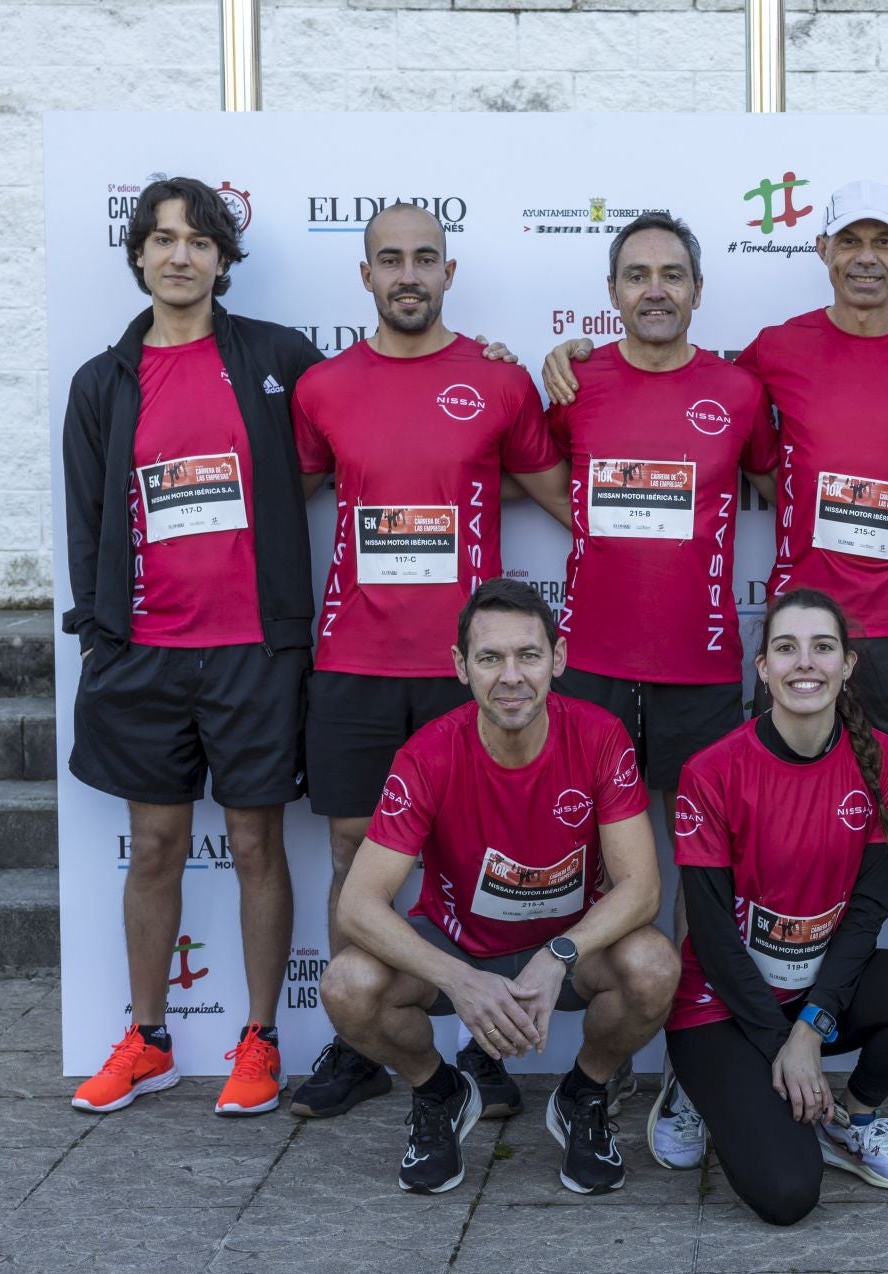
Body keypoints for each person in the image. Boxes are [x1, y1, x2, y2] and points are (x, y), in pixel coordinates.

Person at [544, 180, 888, 1116]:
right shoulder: (769, 358)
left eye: (884, 241)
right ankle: (698, 1039)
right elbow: (666, 399)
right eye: (849, 241)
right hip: (800, 636)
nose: (866, 256)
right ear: (823, 250)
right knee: (730, 846)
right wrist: (563, 352)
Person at [287, 203, 571, 1122]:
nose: (408, 273)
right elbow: (281, 495)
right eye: (389, 260)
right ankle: (357, 1036)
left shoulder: (498, 381)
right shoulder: (323, 386)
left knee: (467, 857)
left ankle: (475, 1041)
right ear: (364, 277)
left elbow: (567, 498)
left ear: (450, 272)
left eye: (425, 258)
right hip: (354, 661)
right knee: (348, 850)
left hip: (476, 668)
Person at [62, 176, 321, 1118]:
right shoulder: (102, 383)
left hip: (256, 649)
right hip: (145, 654)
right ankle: (150, 1039)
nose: (181, 255)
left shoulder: (277, 358)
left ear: (222, 259)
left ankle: (258, 1040)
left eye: (200, 241)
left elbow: (377, 393)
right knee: (156, 844)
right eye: (164, 239)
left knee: (255, 843)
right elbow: (87, 519)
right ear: (138, 255)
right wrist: (102, 642)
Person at [316, 579, 678, 1195]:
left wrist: (558, 955)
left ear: (557, 659)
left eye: (528, 656)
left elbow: (642, 890)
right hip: (460, 948)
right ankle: (439, 1094)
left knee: (654, 966)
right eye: (490, 658)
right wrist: (460, 981)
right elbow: (357, 904)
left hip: (568, 952)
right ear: (461, 667)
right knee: (346, 985)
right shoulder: (427, 754)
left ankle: (583, 1096)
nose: (511, 676)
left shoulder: (599, 736)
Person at [544, 211, 777, 1164]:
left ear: (696, 289)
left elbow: (763, 483)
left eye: (672, 274)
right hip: (592, 665)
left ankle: (686, 1047)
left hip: (700, 665)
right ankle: (602, 1041)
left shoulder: (738, 390)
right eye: (635, 274)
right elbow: (538, 475)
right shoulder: (573, 382)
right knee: (585, 853)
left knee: (702, 869)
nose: (654, 289)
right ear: (610, 293)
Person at [664, 588, 888, 1225]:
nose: (806, 663)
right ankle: (700, 1087)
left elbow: (867, 913)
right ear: (763, 668)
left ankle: (852, 1121)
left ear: (847, 665)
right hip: (720, 1004)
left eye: (822, 648)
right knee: (788, 1195)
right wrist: (784, 1045)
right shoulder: (712, 771)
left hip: (812, 997)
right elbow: (712, 937)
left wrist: (810, 1031)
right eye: (786, 648)